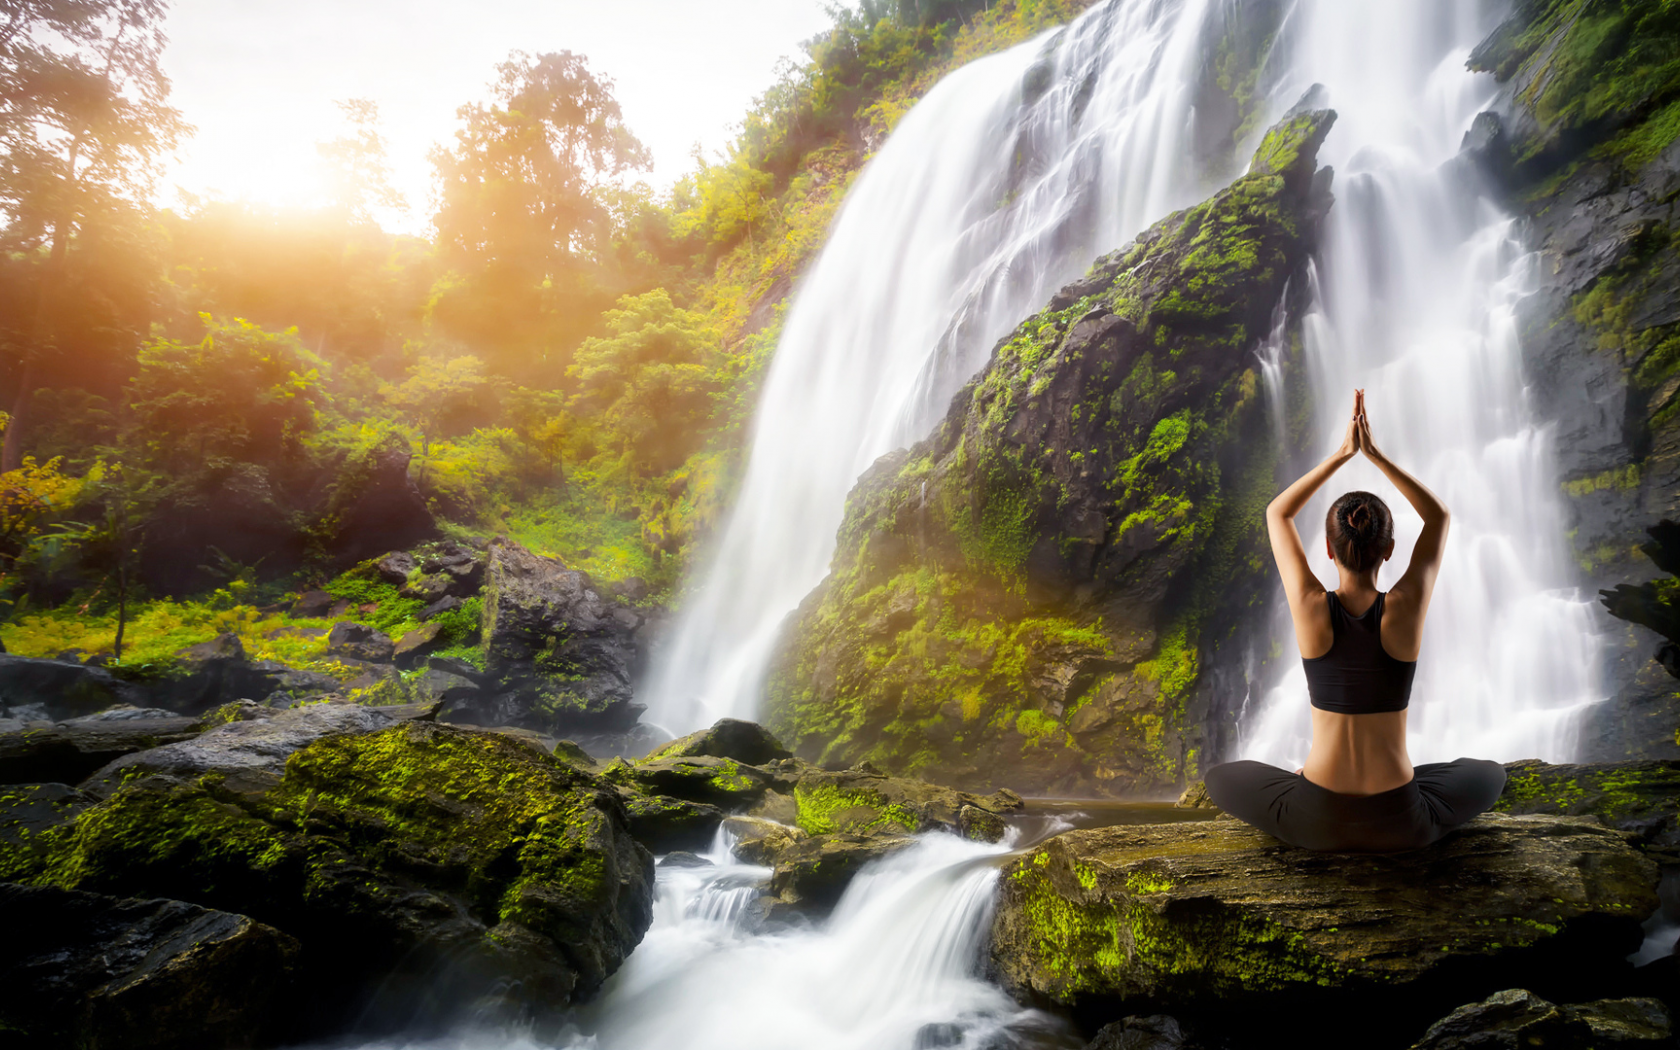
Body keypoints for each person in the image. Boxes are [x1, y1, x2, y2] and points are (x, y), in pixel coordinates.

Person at [1203, 389, 1505, 852]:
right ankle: (1408, 782)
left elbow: (1277, 512)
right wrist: (1376, 456)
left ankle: (1317, 780)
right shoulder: (1404, 607)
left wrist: (1343, 454)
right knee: (1489, 773)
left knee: (1221, 777)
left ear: (1327, 549)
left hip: (1315, 819)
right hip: (1401, 821)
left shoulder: (1310, 606)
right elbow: (1438, 516)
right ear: (1389, 550)